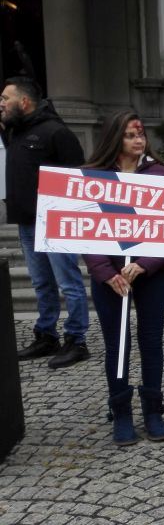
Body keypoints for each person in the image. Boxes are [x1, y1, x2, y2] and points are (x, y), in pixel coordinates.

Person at [80, 111, 164, 445]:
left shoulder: (159, 174)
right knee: (116, 345)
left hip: (151, 275)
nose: (139, 140)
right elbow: (83, 229)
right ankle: (121, 412)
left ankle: (153, 410)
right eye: (131, 135)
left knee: (151, 342)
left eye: (141, 134)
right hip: (111, 279)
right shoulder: (94, 178)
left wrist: (144, 264)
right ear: (115, 139)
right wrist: (106, 272)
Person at [1, 76, 89, 368]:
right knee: (42, 284)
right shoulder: (14, 132)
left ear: (24, 102)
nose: (0, 104)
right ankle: (46, 335)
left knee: (68, 282)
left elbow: (77, 178)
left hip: (55, 222)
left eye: (5, 99)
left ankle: (76, 340)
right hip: (26, 222)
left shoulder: (55, 132)